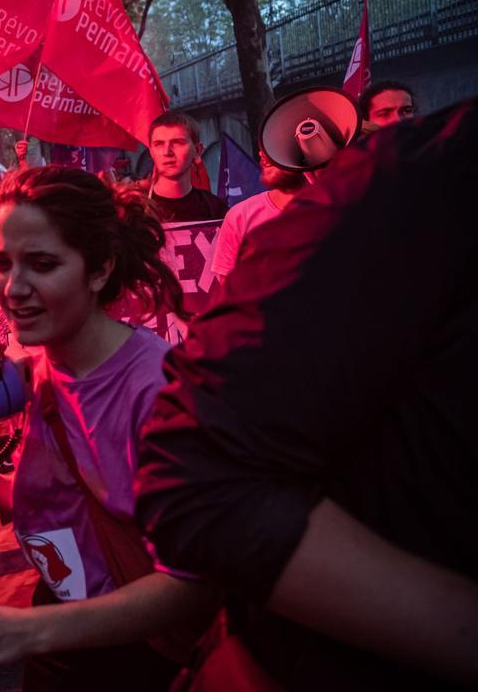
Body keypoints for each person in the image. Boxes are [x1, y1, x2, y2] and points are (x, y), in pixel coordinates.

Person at [134, 99, 478, 690]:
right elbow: (198, 467)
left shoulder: (221, 208)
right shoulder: (426, 181)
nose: (171, 152)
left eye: (179, 142)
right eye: (160, 143)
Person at [0, 165, 216, 691]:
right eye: (0, 263)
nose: (13, 288)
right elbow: (70, 508)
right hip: (65, 624)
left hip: (132, 652)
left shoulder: (155, 391)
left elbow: (193, 583)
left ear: (100, 269)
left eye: (42, 264)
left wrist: (32, 632)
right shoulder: (45, 363)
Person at [209, 151, 307, 280]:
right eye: (262, 146)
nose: (262, 153)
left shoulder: (334, 208)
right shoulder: (240, 216)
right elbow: (228, 286)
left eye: (278, 138)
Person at [145, 112, 228, 223]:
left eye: (178, 143)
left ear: (197, 150)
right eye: (159, 144)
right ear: (151, 152)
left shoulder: (216, 210)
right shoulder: (135, 211)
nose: (167, 152)